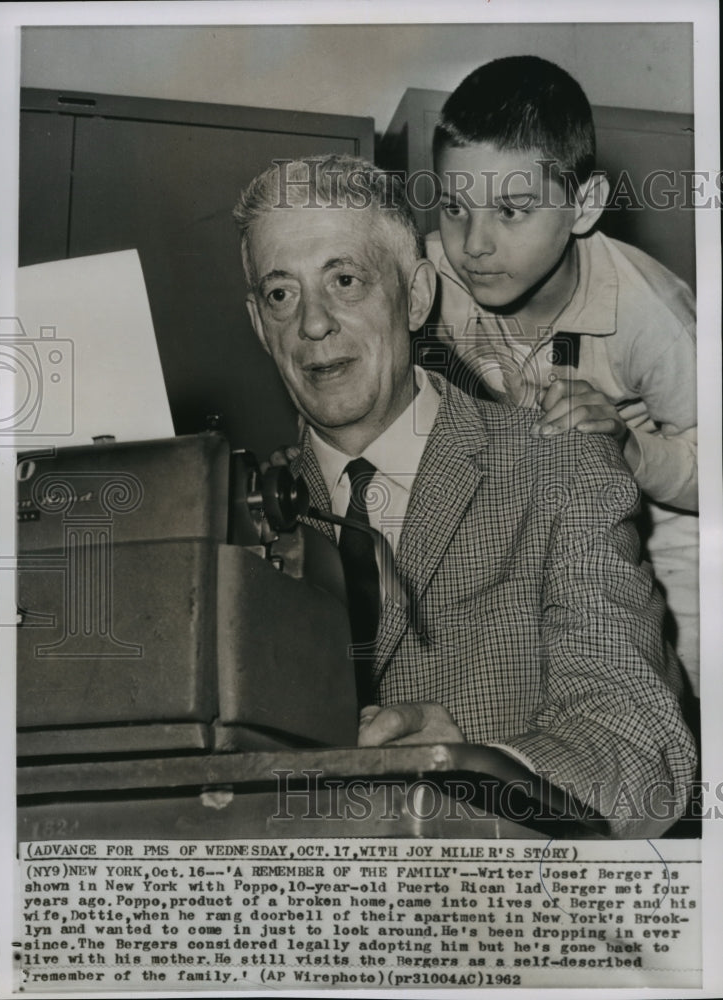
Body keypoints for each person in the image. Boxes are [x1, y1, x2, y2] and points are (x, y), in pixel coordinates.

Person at [233, 154, 696, 837]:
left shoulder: (561, 466)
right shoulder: (231, 520)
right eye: (280, 294)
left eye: (345, 280)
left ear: (416, 297)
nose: (312, 324)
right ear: (256, 321)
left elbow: (638, 738)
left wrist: (471, 775)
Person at [425, 55, 699, 698]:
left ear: (583, 205)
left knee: (677, 693)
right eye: (454, 207)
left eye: (512, 211)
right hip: (540, 502)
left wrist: (628, 446)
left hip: (668, 515)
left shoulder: (651, 313)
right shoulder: (432, 277)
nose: (475, 244)